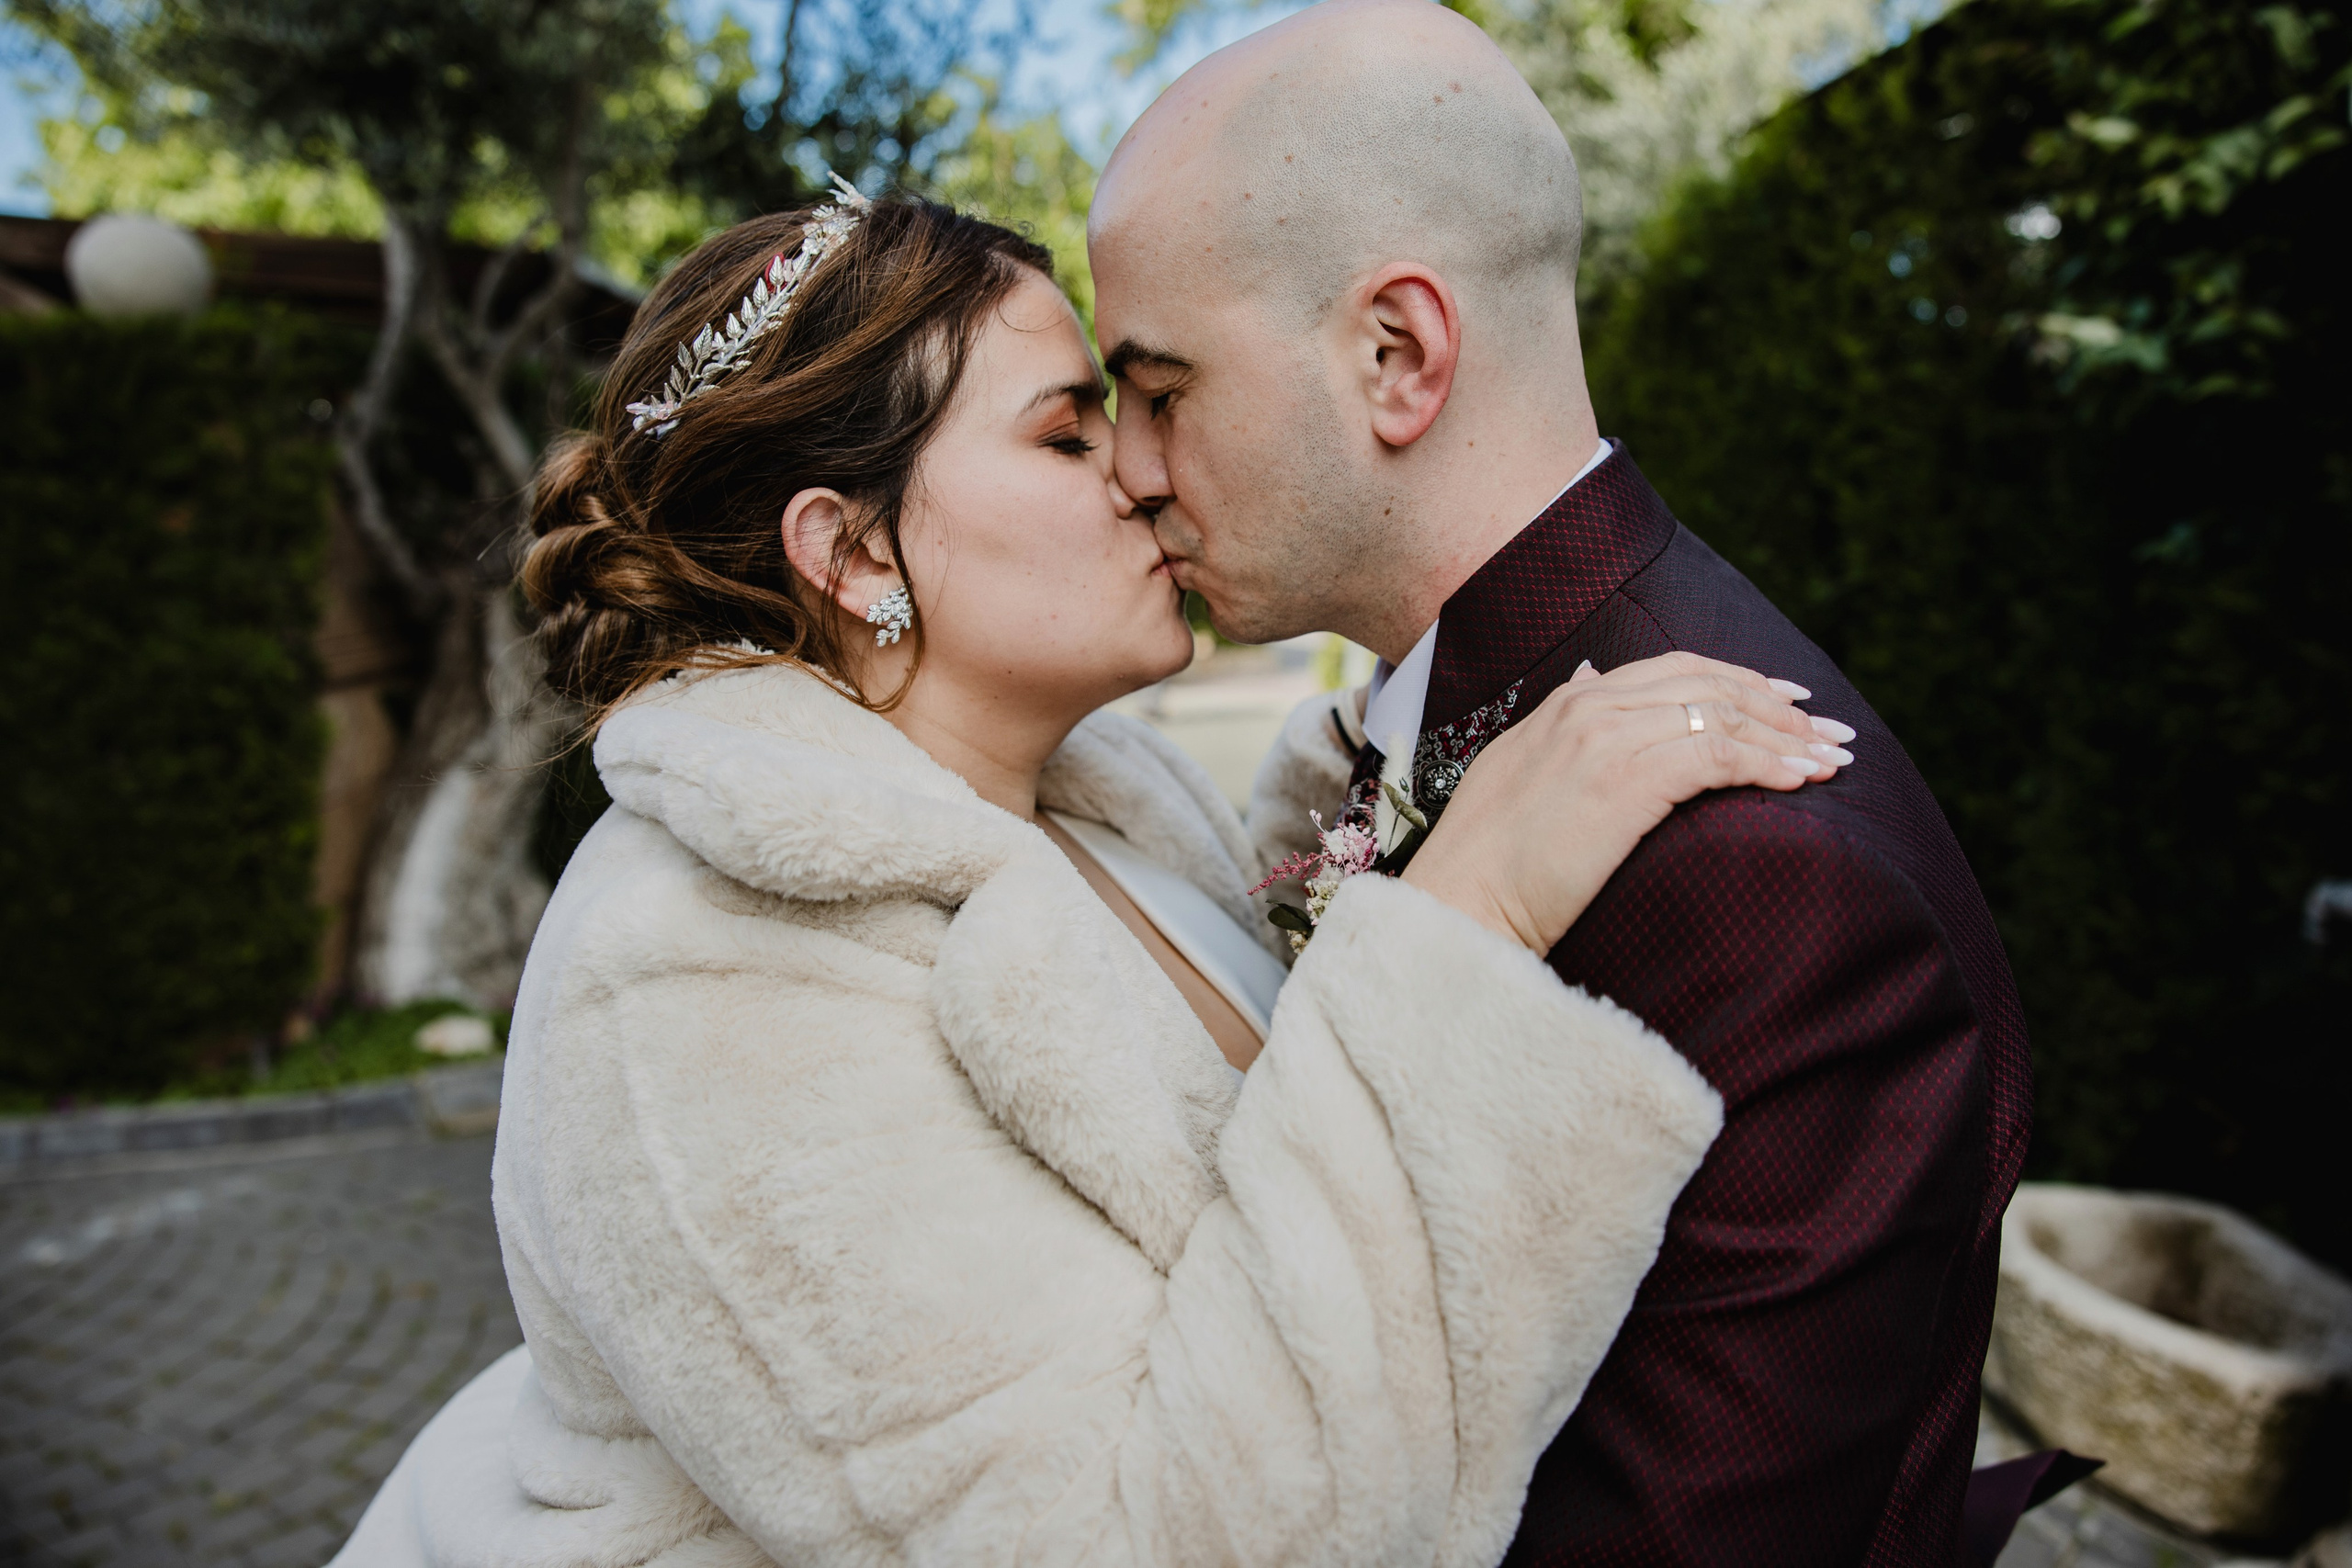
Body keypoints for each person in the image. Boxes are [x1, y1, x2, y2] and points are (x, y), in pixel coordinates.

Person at [330, 184, 1849, 1566]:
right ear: (851, 550)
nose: (1137, 467)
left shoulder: (1079, 804)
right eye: (1065, 432)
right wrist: (1475, 912)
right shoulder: (689, 979)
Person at [1085, 3, 2032, 1563]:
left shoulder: (1763, 873)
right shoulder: (1459, 711)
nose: (1128, 464)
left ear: (1397, 356)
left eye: (1162, 388)